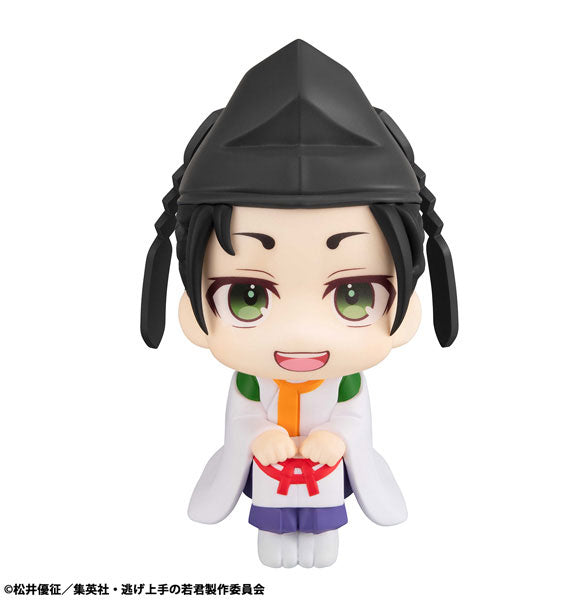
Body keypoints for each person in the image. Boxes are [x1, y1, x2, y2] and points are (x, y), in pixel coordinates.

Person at [141, 40, 458, 568]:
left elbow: (354, 417)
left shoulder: (345, 382)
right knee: (272, 524)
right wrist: (257, 434)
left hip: (324, 472)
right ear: (193, 312)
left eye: (354, 295)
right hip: (270, 474)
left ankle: (321, 538)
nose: (301, 332)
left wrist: (338, 437)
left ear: (406, 310)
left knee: (322, 526)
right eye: (247, 296)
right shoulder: (251, 381)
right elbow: (242, 417)